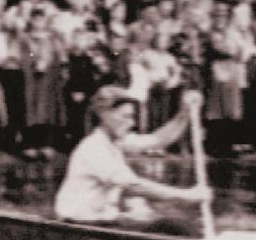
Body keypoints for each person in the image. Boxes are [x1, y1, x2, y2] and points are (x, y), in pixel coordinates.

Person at [53, 85, 211, 228]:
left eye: (132, 117)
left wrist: (185, 112)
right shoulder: (93, 148)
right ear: (104, 115)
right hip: (79, 224)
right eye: (125, 117)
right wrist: (187, 196)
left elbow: (158, 140)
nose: (131, 123)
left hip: (101, 220)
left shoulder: (117, 141)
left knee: (167, 224)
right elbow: (134, 186)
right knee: (171, 227)